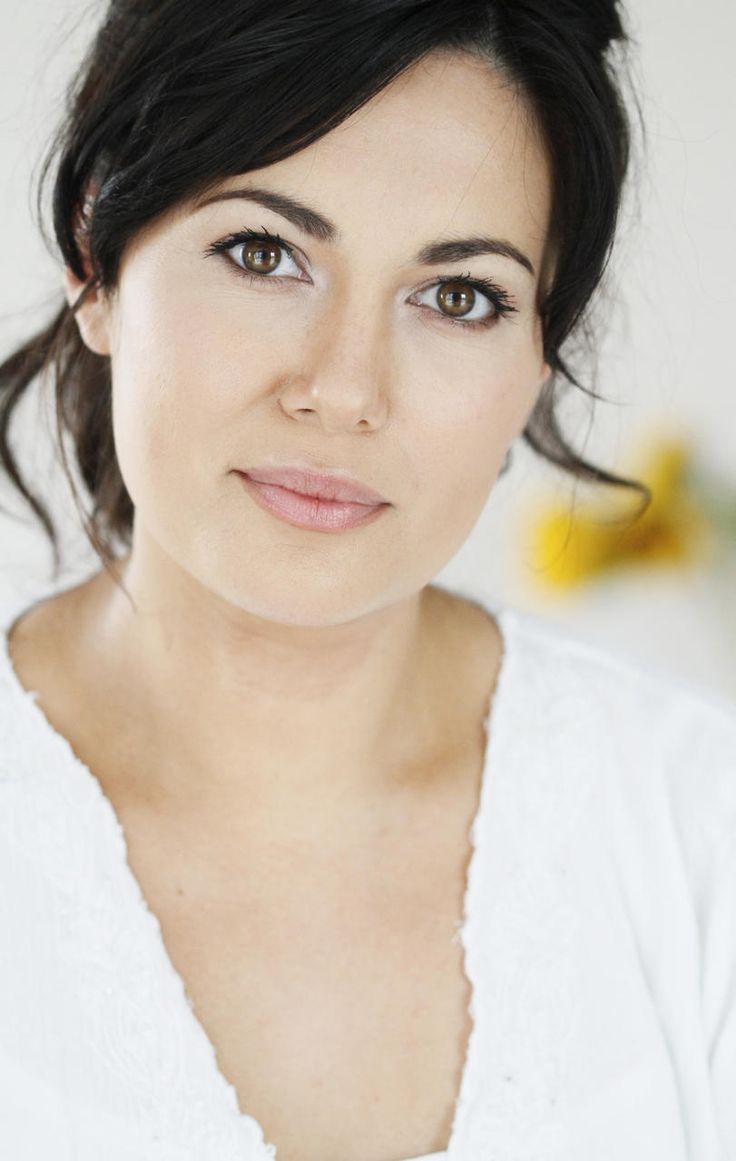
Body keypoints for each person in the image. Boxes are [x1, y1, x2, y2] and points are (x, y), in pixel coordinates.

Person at [0, 2, 734, 1159]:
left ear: (539, 355)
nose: (344, 390)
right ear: (98, 263)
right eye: (262, 253)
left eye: (458, 296)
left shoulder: (699, 832)